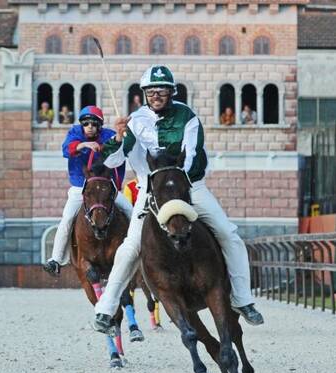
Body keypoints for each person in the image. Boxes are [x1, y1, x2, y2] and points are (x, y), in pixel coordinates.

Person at [91, 65, 264, 334]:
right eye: (151, 91)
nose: (156, 95)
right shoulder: (135, 121)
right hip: (149, 192)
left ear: (171, 92)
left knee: (229, 234)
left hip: (188, 187)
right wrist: (117, 136)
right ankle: (106, 307)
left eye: (161, 91)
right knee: (130, 247)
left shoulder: (188, 117)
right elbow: (113, 160)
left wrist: (173, 179)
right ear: (144, 94)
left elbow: (193, 155)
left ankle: (242, 299)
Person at [42, 105, 134, 276]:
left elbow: (118, 149)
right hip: (81, 187)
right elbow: (66, 149)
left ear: (99, 126)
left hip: (106, 186)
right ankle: (55, 260)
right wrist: (83, 144)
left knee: (130, 210)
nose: (90, 127)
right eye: (86, 124)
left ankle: (139, 249)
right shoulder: (74, 133)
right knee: (68, 217)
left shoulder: (107, 134)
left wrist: (120, 135)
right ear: (82, 125)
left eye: (93, 124)